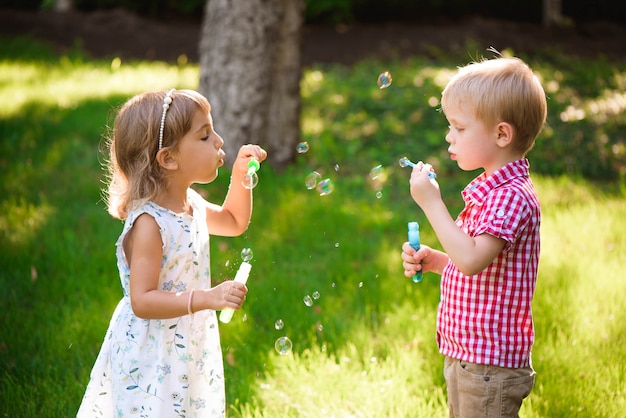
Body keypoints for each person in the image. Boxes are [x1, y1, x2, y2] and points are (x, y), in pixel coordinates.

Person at [77, 88, 267, 417]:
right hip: (151, 352)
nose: (219, 141)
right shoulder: (151, 224)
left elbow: (234, 221)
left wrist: (240, 178)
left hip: (186, 343)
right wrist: (206, 298)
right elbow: (142, 300)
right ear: (168, 158)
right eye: (205, 136)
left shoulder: (190, 205)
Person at [401, 55, 547, 418]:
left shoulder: (511, 196)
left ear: (501, 134)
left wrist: (431, 204)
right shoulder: (492, 190)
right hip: (469, 357)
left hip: (489, 366)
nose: (449, 136)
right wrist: (438, 261)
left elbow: (470, 260)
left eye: (460, 128)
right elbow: (477, 260)